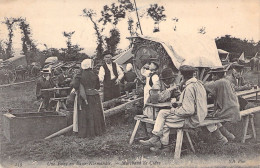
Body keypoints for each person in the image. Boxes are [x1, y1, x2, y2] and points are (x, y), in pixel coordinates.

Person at [140, 65, 208, 151]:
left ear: (183, 76)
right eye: (172, 78)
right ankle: (160, 142)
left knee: (162, 119)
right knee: (162, 115)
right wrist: (176, 98)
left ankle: (160, 143)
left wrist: (176, 106)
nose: (174, 79)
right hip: (151, 109)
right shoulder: (198, 84)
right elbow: (158, 98)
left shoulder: (189, 87)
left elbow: (187, 109)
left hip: (192, 118)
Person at [204, 67, 240, 145]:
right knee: (212, 115)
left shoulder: (219, 82)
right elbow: (221, 94)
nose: (212, 78)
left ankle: (221, 139)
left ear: (216, 75)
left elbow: (205, 85)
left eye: (212, 76)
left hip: (228, 111)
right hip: (234, 109)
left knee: (205, 118)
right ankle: (229, 135)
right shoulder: (226, 81)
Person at [72, 59, 105, 138]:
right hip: (94, 96)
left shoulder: (80, 75)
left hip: (85, 96)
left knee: (85, 114)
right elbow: (97, 86)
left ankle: (86, 133)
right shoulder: (94, 74)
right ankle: (97, 131)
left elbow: (75, 85)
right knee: (94, 113)